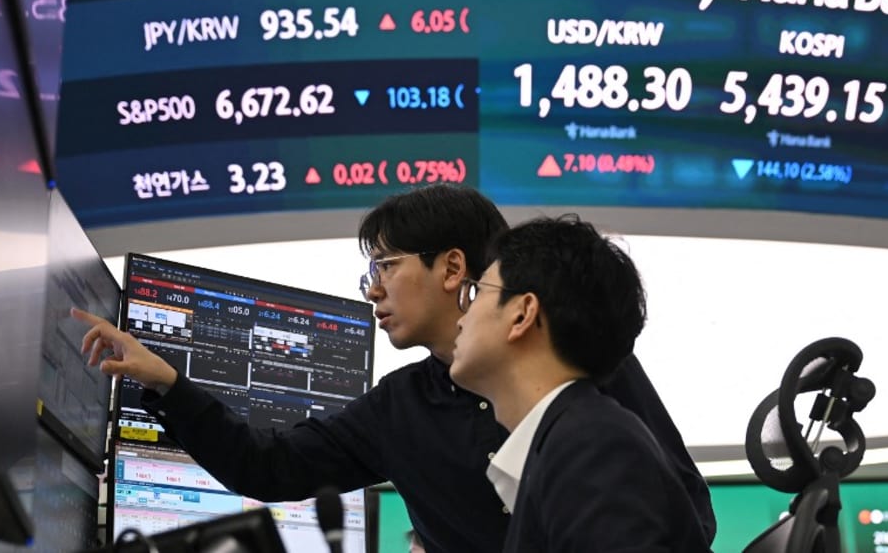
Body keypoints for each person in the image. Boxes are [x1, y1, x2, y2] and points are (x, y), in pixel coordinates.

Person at [79, 185, 715, 553]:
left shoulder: (581, 389)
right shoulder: (400, 407)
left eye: (385, 266)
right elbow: (268, 465)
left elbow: (682, 511)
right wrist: (169, 383)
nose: (372, 290)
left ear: (454, 269)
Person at [451, 215, 710, 552]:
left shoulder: (593, 447)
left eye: (478, 292)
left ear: (522, 313)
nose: (461, 318)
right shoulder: (572, 439)